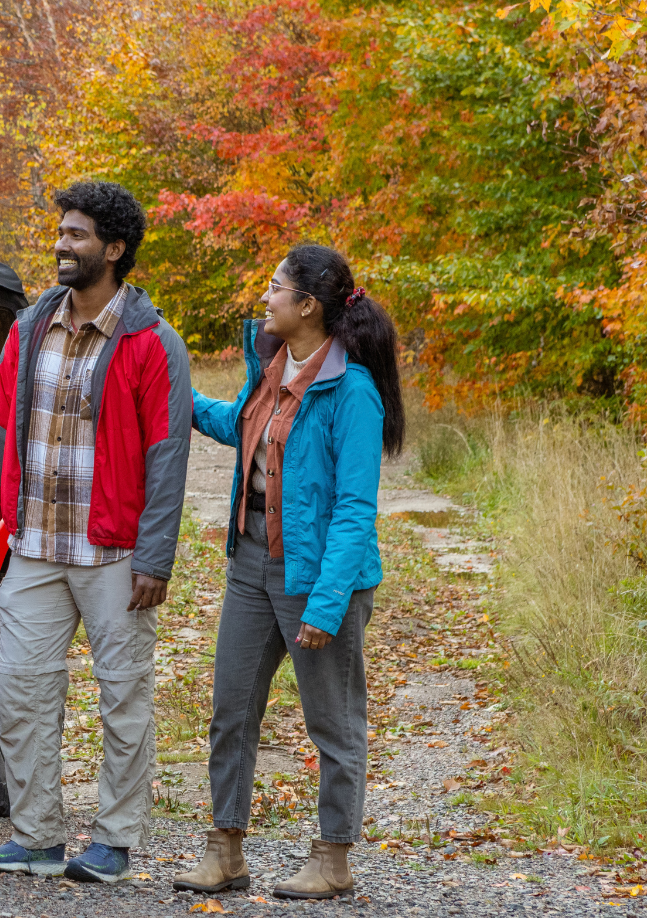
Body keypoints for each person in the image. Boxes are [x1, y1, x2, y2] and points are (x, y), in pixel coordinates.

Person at [0, 181, 192, 885]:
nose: (62, 245)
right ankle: (36, 838)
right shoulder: (30, 328)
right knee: (18, 691)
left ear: (114, 250)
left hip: (115, 553)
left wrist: (154, 555)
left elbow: (168, 455)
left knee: (124, 697)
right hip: (33, 546)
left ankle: (114, 841)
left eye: (79, 235)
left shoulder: (152, 343)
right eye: (61, 232)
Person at [174, 244, 405, 900]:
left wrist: (327, 604)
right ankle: (224, 852)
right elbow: (240, 425)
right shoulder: (272, 365)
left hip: (319, 578)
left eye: (275, 287)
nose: (265, 297)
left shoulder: (351, 391)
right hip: (251, 564)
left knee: (333, 723)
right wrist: (183, 400)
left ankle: (332, 858)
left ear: (308, 305)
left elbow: (357, 508)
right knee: (230, 709)